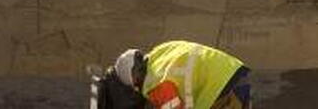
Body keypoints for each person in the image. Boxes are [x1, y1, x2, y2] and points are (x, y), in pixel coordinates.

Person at [106, 41, 251, 109]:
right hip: (232, 72)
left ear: (135, 80)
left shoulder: (155, 83)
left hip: (217, 90)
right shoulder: (162, 52)